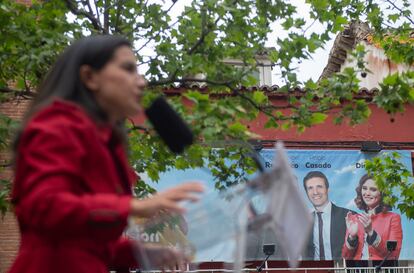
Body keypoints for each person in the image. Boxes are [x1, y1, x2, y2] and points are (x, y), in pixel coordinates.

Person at [8, 35, 204, 273]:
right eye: (128, 69)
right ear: (89, 77)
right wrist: (137, 207)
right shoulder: (54, 126)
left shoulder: (107, 142)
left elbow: (89, 244)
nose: (141, 82)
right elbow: (45, 208)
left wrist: (145, 253)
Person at [342, 174, 402, 260]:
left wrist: (371, 232)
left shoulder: (393, 218)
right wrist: (352, 237)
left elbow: (393, 255)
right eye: (364, 188)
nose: (367, 193)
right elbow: (346, 257)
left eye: (373, 189)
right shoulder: (354, 218)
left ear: (382, 194)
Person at [303, 171, 351, 260]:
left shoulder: (347, 216)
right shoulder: (304, 222)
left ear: (327, 189)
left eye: (319, 187)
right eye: (310, 188)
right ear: (306, 193)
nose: (315, 192)